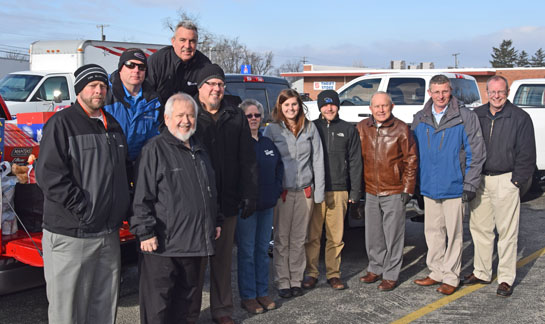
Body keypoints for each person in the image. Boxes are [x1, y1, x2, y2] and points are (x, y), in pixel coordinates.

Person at [36, 64, 131, 324]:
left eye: (102, 85)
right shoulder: (62, 124)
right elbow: (49, 176)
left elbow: (123, 172)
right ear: (79, 90)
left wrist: (123, 209)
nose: (98, 91)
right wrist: (84, 209)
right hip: (71, 234)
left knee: (103, 308)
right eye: (92, 85)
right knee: (67, 311)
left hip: (108, 234)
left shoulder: (112, 126)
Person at [130, 93, 222, 324]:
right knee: (159, 308)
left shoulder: (199, 149)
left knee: (189, 305)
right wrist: (145, 231)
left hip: (196, 244)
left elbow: (209, 189)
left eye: (191, 115)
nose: (186, 121)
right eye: (180, 115)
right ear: (167, 118)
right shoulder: (154, 149)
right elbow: (142, 194)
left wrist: (216, 219)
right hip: (164, 244)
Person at [188, 64, 258, 324]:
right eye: (211, 84)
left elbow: (247, 158)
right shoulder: (189, 113)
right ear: (200, 88)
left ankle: (222, 310)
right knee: (195, 264)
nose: (216, 89)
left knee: (223, 260)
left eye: (220, 84)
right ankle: (190, 313)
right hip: (198, 203)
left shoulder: (234, 115)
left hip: (227, 200)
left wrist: (250, 193)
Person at [411, 74, 486, 295]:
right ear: (430, 93)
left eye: (444, 91)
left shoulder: (464, 117)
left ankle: (451, 276)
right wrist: (415, 183)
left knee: (454, 235)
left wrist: (470, 184)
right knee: (433, 232)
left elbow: (476, 152)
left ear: (450, 90)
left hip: (455, 185)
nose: (441, 96)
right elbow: (413, 152)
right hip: (429, 186)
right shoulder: (420, 118)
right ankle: (436, 272)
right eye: (436, 92)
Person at [464, 76, 536, 297]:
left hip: (506, 179)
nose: (496, 96)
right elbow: (468, 147)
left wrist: (516, 181)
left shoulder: (520, 118)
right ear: (487, 92)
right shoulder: (477, 115)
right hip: (480, 181)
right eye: (492, 92)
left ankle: (505, 278)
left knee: (507, 232)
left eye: (500, 92)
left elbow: (527, 154)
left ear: (507, 92)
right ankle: (482, 272)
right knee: (480, 229)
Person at [263, 89, 325, 299]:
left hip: (305, 191)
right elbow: (266, 161)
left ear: (300, 106)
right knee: (282, 239)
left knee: (299, 238)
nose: (291, 109)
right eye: (286, 105)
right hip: (283, 193)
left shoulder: (309, 128)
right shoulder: (272, 130)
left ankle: (296, 279)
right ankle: (283, 281)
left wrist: (319, 193)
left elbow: (317, 159)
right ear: (280, 107)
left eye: (294, 104)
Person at [357, 91, 418, 291]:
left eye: (384, 106)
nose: (381, 110)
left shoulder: (401, 129)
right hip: (371, 189)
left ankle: (391, 274)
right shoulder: (362, 128)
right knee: (373, 234)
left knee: (394, 235)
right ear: (370, 109)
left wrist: (407, 188)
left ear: (391, 107)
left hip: (394, 190)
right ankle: (375, 268)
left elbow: (411, 160)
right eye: (377, 106)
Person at [302, 90, 362, 291]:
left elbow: (355, 162)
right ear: (319, 107)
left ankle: (333, 274)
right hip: (316, 189)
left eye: (333, 105)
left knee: (336, 237)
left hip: (339, 190)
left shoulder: (348, 129)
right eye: (325, 105)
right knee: (313, 235)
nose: (329, 108)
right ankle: (311, 273)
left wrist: (354, 192)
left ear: (338, 106)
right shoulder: (311, 128)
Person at [236, 99, 284, 314]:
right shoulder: (238, 144)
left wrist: (274, 193)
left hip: (266, 206)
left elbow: (278, 169)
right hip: (246, 208)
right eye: (249, 116)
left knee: (262, 251)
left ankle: (262, 292)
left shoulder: (267, 144)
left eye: (257, 115)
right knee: (246, 252)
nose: (254, 119)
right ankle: (248, 296)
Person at [104, 48, 161, 163]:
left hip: (142, 166)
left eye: (141, 67)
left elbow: (158, 137)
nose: (136, 70)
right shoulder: (105, 96)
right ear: (120, 68)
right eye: (130, 65)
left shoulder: (155, 102)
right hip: (111, 165)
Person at [147, 20, 211, 107]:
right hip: (160, 116)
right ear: (173, 41)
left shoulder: (205, 65)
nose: (187, 46)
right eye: (182, 40)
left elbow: (209, 99)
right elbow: (145, 95)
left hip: (192, 117)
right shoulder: (157, 62)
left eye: (192, 41)